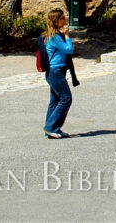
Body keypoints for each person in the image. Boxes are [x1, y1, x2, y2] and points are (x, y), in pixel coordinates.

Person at [43, 8, 74, 138]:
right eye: (62, 18)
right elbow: (69, 49)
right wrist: (67, 36)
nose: (65, 19)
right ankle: (51, 127)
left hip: (54, 71)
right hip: (55, 71)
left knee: (55, 101)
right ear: (56, 21)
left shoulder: (53, 35)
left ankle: (52, 128)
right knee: (66, 98)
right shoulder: (54, 37)